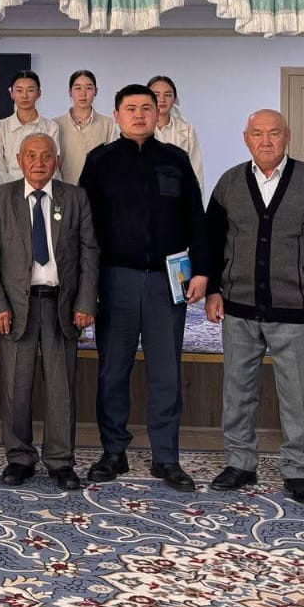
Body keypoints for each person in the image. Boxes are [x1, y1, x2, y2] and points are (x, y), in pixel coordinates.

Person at [78, 83, 209, 492]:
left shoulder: (175, 159)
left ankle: (166, 457)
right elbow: (85, 228)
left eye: (146, 108)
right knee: (112, 370)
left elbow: (196, 218)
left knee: (166, 373)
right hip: (115, 279)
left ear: (158, 113)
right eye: (130, 108)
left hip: (166, 282)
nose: (139, 115)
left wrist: (202, 271)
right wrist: (88, 282)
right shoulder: (99, 161)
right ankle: (113, 452)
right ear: (116, 115)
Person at [204, 110, 304, 505]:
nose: (266, 141)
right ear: (246, 138)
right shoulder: (229, 182)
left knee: (298, 395)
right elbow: (211, 240)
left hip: (295, 309)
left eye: (274, 133)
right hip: (239, 308)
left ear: (286, 136)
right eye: (257, 134)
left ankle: (298, 471)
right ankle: (240, 463)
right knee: (237, 391)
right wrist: (213, 290)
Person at [0, 133, 98, 489]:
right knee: (16, 387)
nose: (38, 162)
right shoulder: (0, 198)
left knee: (61, 388)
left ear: (56, 161)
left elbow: (89, 254)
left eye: (46, 156)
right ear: (19, 160)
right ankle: (19, 458)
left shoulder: (75, 198)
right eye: (31, 155)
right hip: (17, 308)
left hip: (62, 305)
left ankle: (61, 461)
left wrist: (85, 302)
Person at [0, 70, 61, 187]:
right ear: (11, 93)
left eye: (30, 90)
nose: (24, 96)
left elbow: (53, 165)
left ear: (39, 93)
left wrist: (37, 190)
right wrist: (14, 191)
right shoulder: (1, 127)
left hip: (44, 189)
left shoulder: (51, 127)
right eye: (19, 90)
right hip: (9, 190)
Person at [52, 70, 118, 185]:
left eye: (88, 88)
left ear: (96, 91)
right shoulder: (55, 125)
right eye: (78, 88)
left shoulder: (107, 124)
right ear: (70, 92)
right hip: (64, 189)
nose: (83, 93)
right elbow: (51, 163)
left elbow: (113, 162)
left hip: (97, 190)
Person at [148, 75, 205, 194]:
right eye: (156, 94)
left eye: (168, 95)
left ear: (174, 99)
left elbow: (196, 171)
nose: (162, 99)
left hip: (178, 195)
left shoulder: (186, 130)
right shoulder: (137, 129)